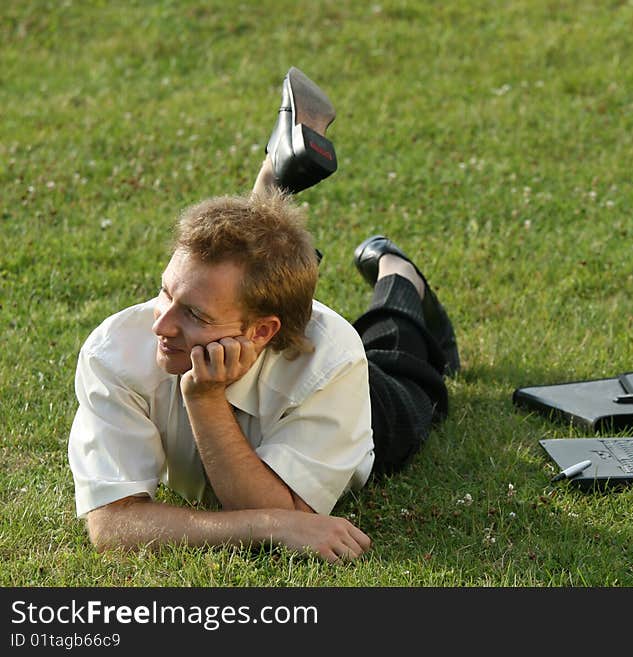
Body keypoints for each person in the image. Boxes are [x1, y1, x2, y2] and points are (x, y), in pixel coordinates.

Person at [67, 71, 459, 564]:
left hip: (363, 401)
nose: (159, 325)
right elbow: (111, 525)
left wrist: (206, 402)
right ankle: (271, 189)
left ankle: (400, 275)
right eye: (165, 293)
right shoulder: (116, 350)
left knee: (401, 358)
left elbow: (291, 504)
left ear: (260, 332)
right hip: (261, 318)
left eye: (191, 314)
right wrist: (269, 526)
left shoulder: (331, 360)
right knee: (251, 276)